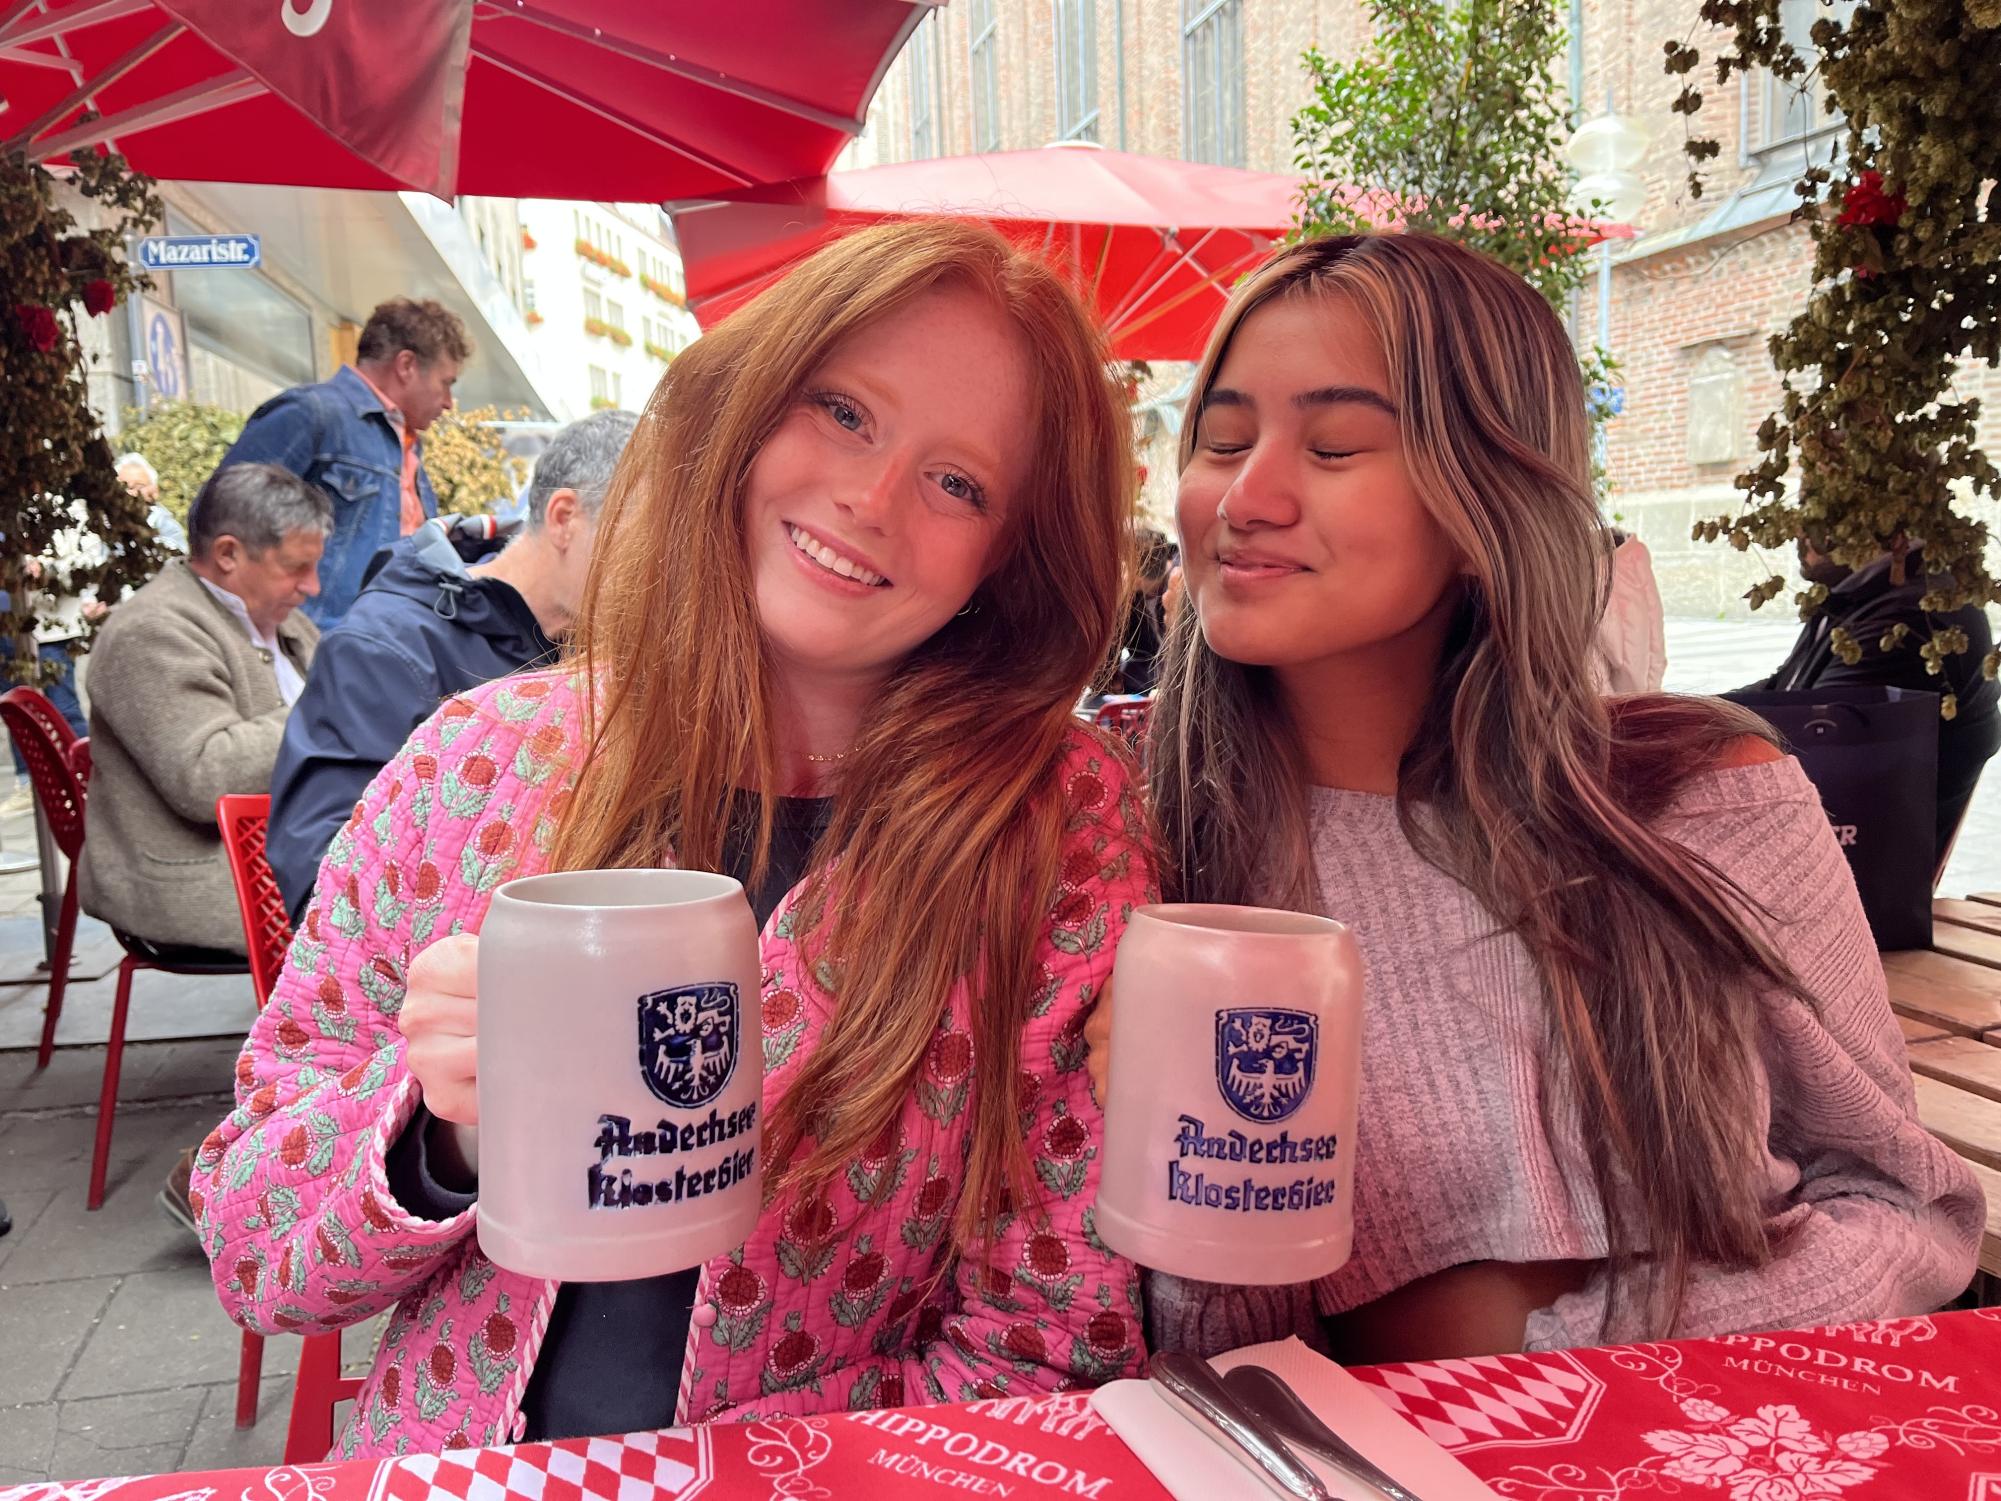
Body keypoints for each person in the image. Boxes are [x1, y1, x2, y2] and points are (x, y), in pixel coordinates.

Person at [193, 220, 1154, 1459]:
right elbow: (252, 1253)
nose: (869, 497)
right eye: (845, 412)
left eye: (958, 481)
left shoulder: (1055, 826)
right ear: (746, 410)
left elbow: (1052, 1345)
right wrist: (442, 1126)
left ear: (1009, 557)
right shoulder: (472, 765)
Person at [1089, 233, 1982, 1363]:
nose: (1244, 497)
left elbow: (1911, 1210)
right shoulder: (1139, 843)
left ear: (1484, 499)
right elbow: (1201, 1355)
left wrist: (1526, 1342)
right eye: (1220, 441)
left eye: (1333, 445)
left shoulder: (1704, 794)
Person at [267, 409, 637, 920]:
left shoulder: (595, 650)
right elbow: (324, 884)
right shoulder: (383, 649)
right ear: (565, 518)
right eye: (648, 544)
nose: (662, 574)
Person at [78, 463, 325, 955]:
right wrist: (337, 709)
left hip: (285, 852)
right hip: (207, 885)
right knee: (410, 916)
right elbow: (207, 776)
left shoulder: (279, 617)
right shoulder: (148, 632)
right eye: (297, 568)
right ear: (228, 554)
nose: (313, 586)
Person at [1745, 536, 2001, 868]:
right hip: (1818, 863)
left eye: (1816, 506)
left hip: (1843, 890)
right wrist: (1670, 716)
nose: (1799, 530)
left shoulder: (1909, 618)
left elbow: (1812, 754)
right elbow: (1775, 694)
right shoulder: (1866, 599)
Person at [218, 298, 470, 628]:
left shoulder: (402, 441)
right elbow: (221, 519)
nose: (450, 403)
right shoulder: (313, 413)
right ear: (406, 365)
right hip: (317, 645)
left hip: (378, 642)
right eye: (446, 383)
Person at [1594, 528, 1667, 694]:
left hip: (1612, 707)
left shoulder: (1601, 574)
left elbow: (1630, 671)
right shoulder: (1632, 558)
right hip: (1639, 700)